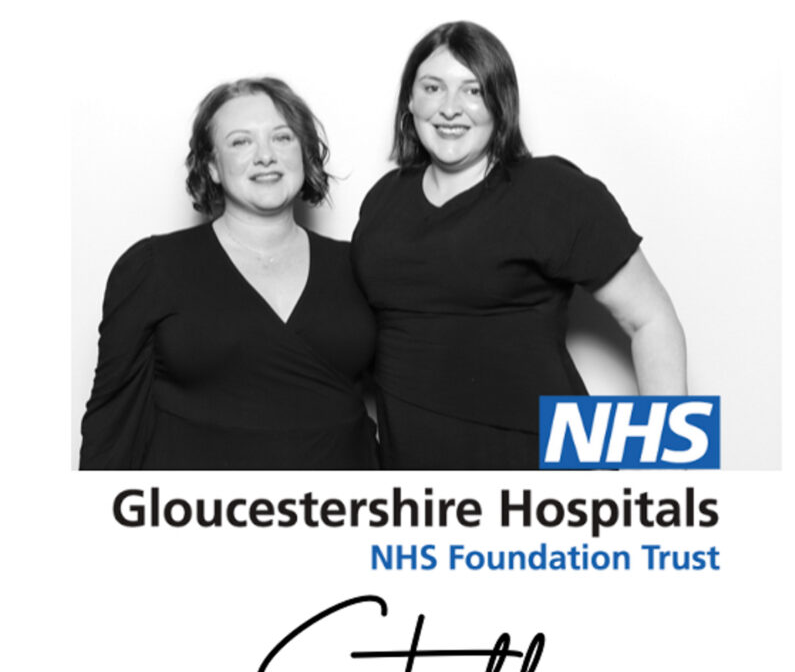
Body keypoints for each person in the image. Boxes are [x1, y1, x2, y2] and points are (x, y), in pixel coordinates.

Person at [352, 23, 686, 470]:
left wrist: (671, 467)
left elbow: (651, 320)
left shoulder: (553, 191)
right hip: (413, 468)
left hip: (540, 466)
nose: (450, 108)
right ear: (410, 101)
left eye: (473, 90)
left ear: (500, 101)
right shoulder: (383, 199)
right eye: (433, 88)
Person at [80, 78, 379, 470]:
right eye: (241, 142)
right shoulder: (152, 268)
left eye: (283, 138)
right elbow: (111, 424)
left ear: (305, 154)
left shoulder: (362, 266)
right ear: (212, 167)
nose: (265, 156)